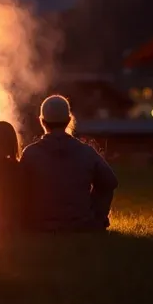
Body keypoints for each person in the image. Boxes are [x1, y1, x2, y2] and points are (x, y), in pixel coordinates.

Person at [20, 94, 118, 232]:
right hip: (82, 225)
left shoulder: (30, 154)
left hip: (39, 227)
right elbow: (110, 182)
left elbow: (19, 189)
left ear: (42, 121)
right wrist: (97, 215)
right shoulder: (86, 152)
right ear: (69, 120)